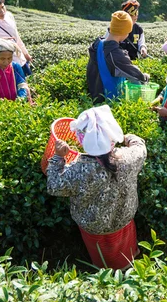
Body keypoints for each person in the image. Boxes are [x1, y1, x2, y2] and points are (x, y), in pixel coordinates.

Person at [46, 105, 147, 270]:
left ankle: (104, 274)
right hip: (124, 218)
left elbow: (54, 185)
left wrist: (58, 157)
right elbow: (141, 147)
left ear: (82, 140)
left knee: (103, 254)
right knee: (124, 247)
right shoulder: (128, 157)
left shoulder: (79, 169)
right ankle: (127, 266)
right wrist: (129, 138)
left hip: (94, 227)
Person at [87, 11, 150, 103]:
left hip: (94, 94)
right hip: (107, 99)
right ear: (124, 32)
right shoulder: (115, 53)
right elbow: (133, 72)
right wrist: (144, 77)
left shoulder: (97, 44)